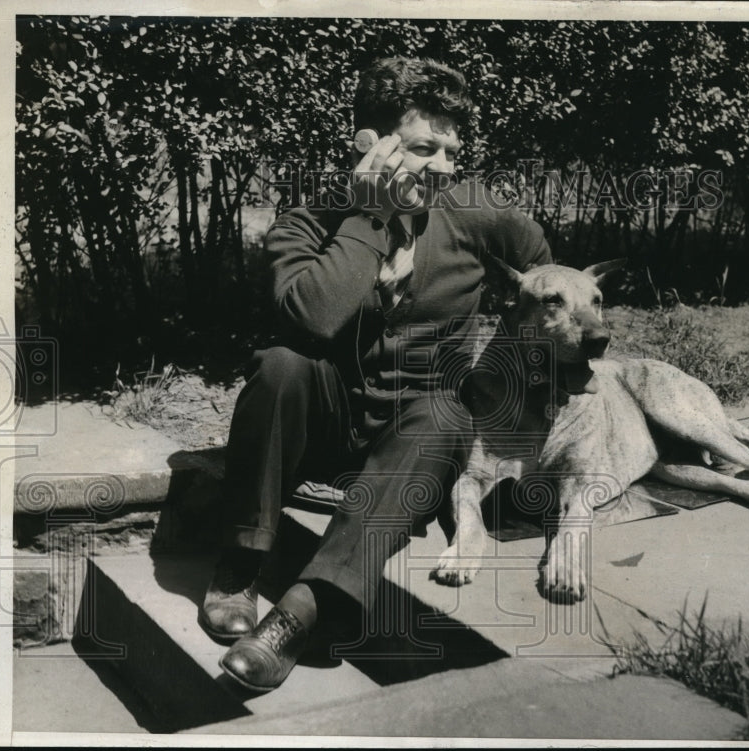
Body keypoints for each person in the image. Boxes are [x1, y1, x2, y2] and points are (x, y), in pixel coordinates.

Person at [201, 56, 553, 693]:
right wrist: (369, 217)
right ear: (370, 144)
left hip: (417, 433)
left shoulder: (477, 213)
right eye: (423, 149)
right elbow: (314, 317)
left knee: (443, 412)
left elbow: (545, 278)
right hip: (326, 425)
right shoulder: (309, 222)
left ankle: (299, 613)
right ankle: (241, 562)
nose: (443, 168)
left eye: (452, 152)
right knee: (281, 365)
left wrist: (516, 370)